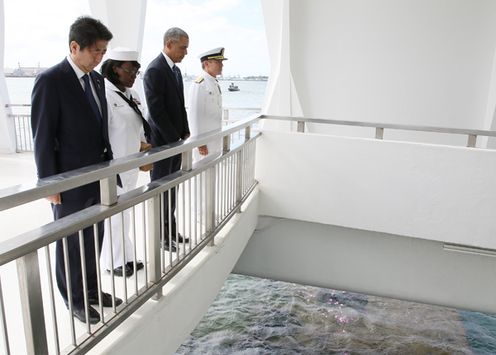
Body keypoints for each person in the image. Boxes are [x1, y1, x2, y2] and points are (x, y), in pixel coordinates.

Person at [31, 16, 122, 325]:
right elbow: (43, 136)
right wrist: (49, 184)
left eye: (103, 52)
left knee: (94, 236)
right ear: (75, 47)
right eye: (96, 51)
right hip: (68, 180)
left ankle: (93, 289)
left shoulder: (96, 79)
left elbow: (100, 129)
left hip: (98, 175)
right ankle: (74, 298)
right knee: (70, 241)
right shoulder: (51, 80)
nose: (100, 58)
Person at [100, 47, 151, 277]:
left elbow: (138, 128)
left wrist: (144, 149)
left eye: (136, 71)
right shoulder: (104, 94)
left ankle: (127, 256)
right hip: (114, 166)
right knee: (113, 217)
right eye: (131, 70)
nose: (133, 75)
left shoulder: (133, 95)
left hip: (131, 165)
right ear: (115, 69)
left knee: (125, 213)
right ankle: (113, 262)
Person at [143, 27, 191, 252]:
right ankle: (161, 236)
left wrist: (185, 131)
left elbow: (179, 105)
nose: (185, 52)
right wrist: (173, 139)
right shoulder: (154, 70)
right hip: (163, 144)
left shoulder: (176, 71)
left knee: (172, 188)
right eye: (182, 48)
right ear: (169, 44)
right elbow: (156, 110)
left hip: (175, 141)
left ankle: (170, 230)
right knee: (161, 189)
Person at [188, 47, 227, 163]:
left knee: (211, 176)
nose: (222, 65)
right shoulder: (199, 84)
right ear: (206, 63)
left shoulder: (214, 83)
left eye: (221, 62)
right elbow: (194, 115)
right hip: (204, 143)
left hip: (215, 139)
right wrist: (199, 143)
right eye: (218, 62)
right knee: (202, 178)